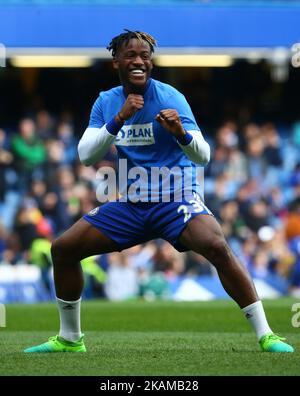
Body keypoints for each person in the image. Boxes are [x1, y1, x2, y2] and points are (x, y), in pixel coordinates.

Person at [24, 30, 293, 353]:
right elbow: (86, 156)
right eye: (131, 55)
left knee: (217, 246)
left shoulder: (171, 98)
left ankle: (266, 335)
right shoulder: (107, 102)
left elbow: (203, 155)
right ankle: (70, 339)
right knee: (63, 249)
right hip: (132, 205)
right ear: (116, 63)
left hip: (175, 199)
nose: (139, 61)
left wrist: (181, 133)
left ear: (151, 62)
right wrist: (119, 118)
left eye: (145, 56)